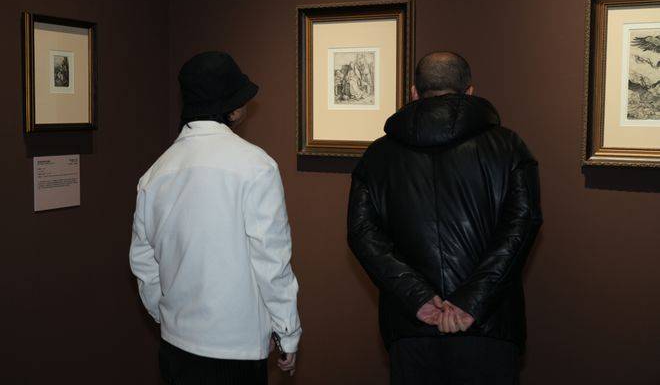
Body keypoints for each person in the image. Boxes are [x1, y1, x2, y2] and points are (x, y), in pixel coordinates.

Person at [348, 52, 542, 384]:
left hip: (412, 327)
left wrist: (419, 298)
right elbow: (521, 228)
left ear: (413, 93)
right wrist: (470, 302)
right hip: (487, 327)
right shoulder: (509, 147)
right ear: (470, 92)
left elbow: (363, 235)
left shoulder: (377, 156)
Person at [129, 51, 301, 384]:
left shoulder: (155, 174)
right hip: (236, 350)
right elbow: (271, 261)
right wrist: (287, 331)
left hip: (175, 346)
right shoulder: (257, 167)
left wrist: (165, 315)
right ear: (232, 109)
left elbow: (144, 263)